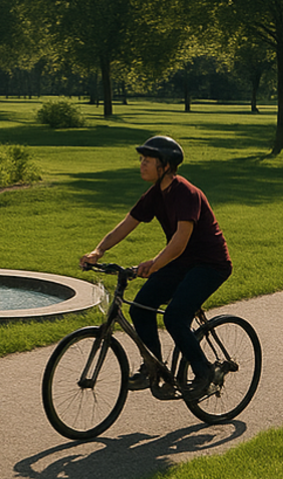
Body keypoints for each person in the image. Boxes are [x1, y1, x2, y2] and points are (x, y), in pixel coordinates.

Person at [79, 135, 232, 400]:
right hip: (181, 263)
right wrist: (98, 250)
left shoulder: (186, 193)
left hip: (210, 264)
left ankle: (204, 372)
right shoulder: (155, 194)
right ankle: (155, 368)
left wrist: (154, 263)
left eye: (147, 160)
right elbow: (127, 223)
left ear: (165, 165)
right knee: (140, 308)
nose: (142, 164)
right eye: (141, 159)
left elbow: (180, 241)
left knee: (174, 317)